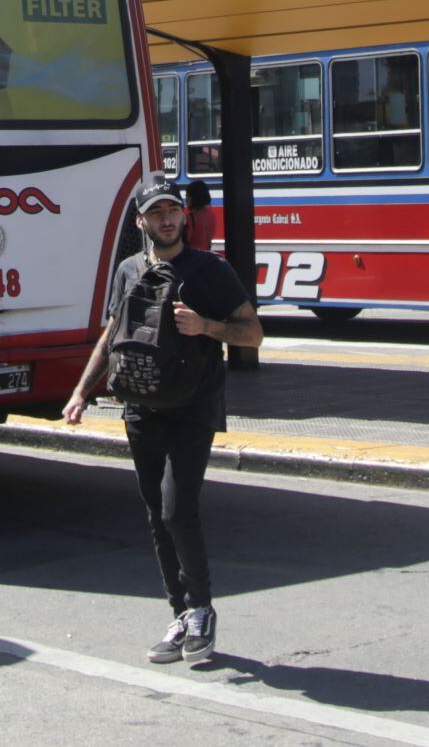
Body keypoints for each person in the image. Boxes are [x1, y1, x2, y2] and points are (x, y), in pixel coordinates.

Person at [64, 171, 262, 665]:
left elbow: (253, 333)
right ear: (141, 221)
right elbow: (112, 334)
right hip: (141, 407)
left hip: (193, 407)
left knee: (178, 510)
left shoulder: (210, 270)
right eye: (157, 213)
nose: (168, 219)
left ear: (184, 216)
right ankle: (179, 614)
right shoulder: (129, 270)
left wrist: (206, 326)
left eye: (173, 210)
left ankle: (202, 609)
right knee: (156, 516)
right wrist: (81, 391)